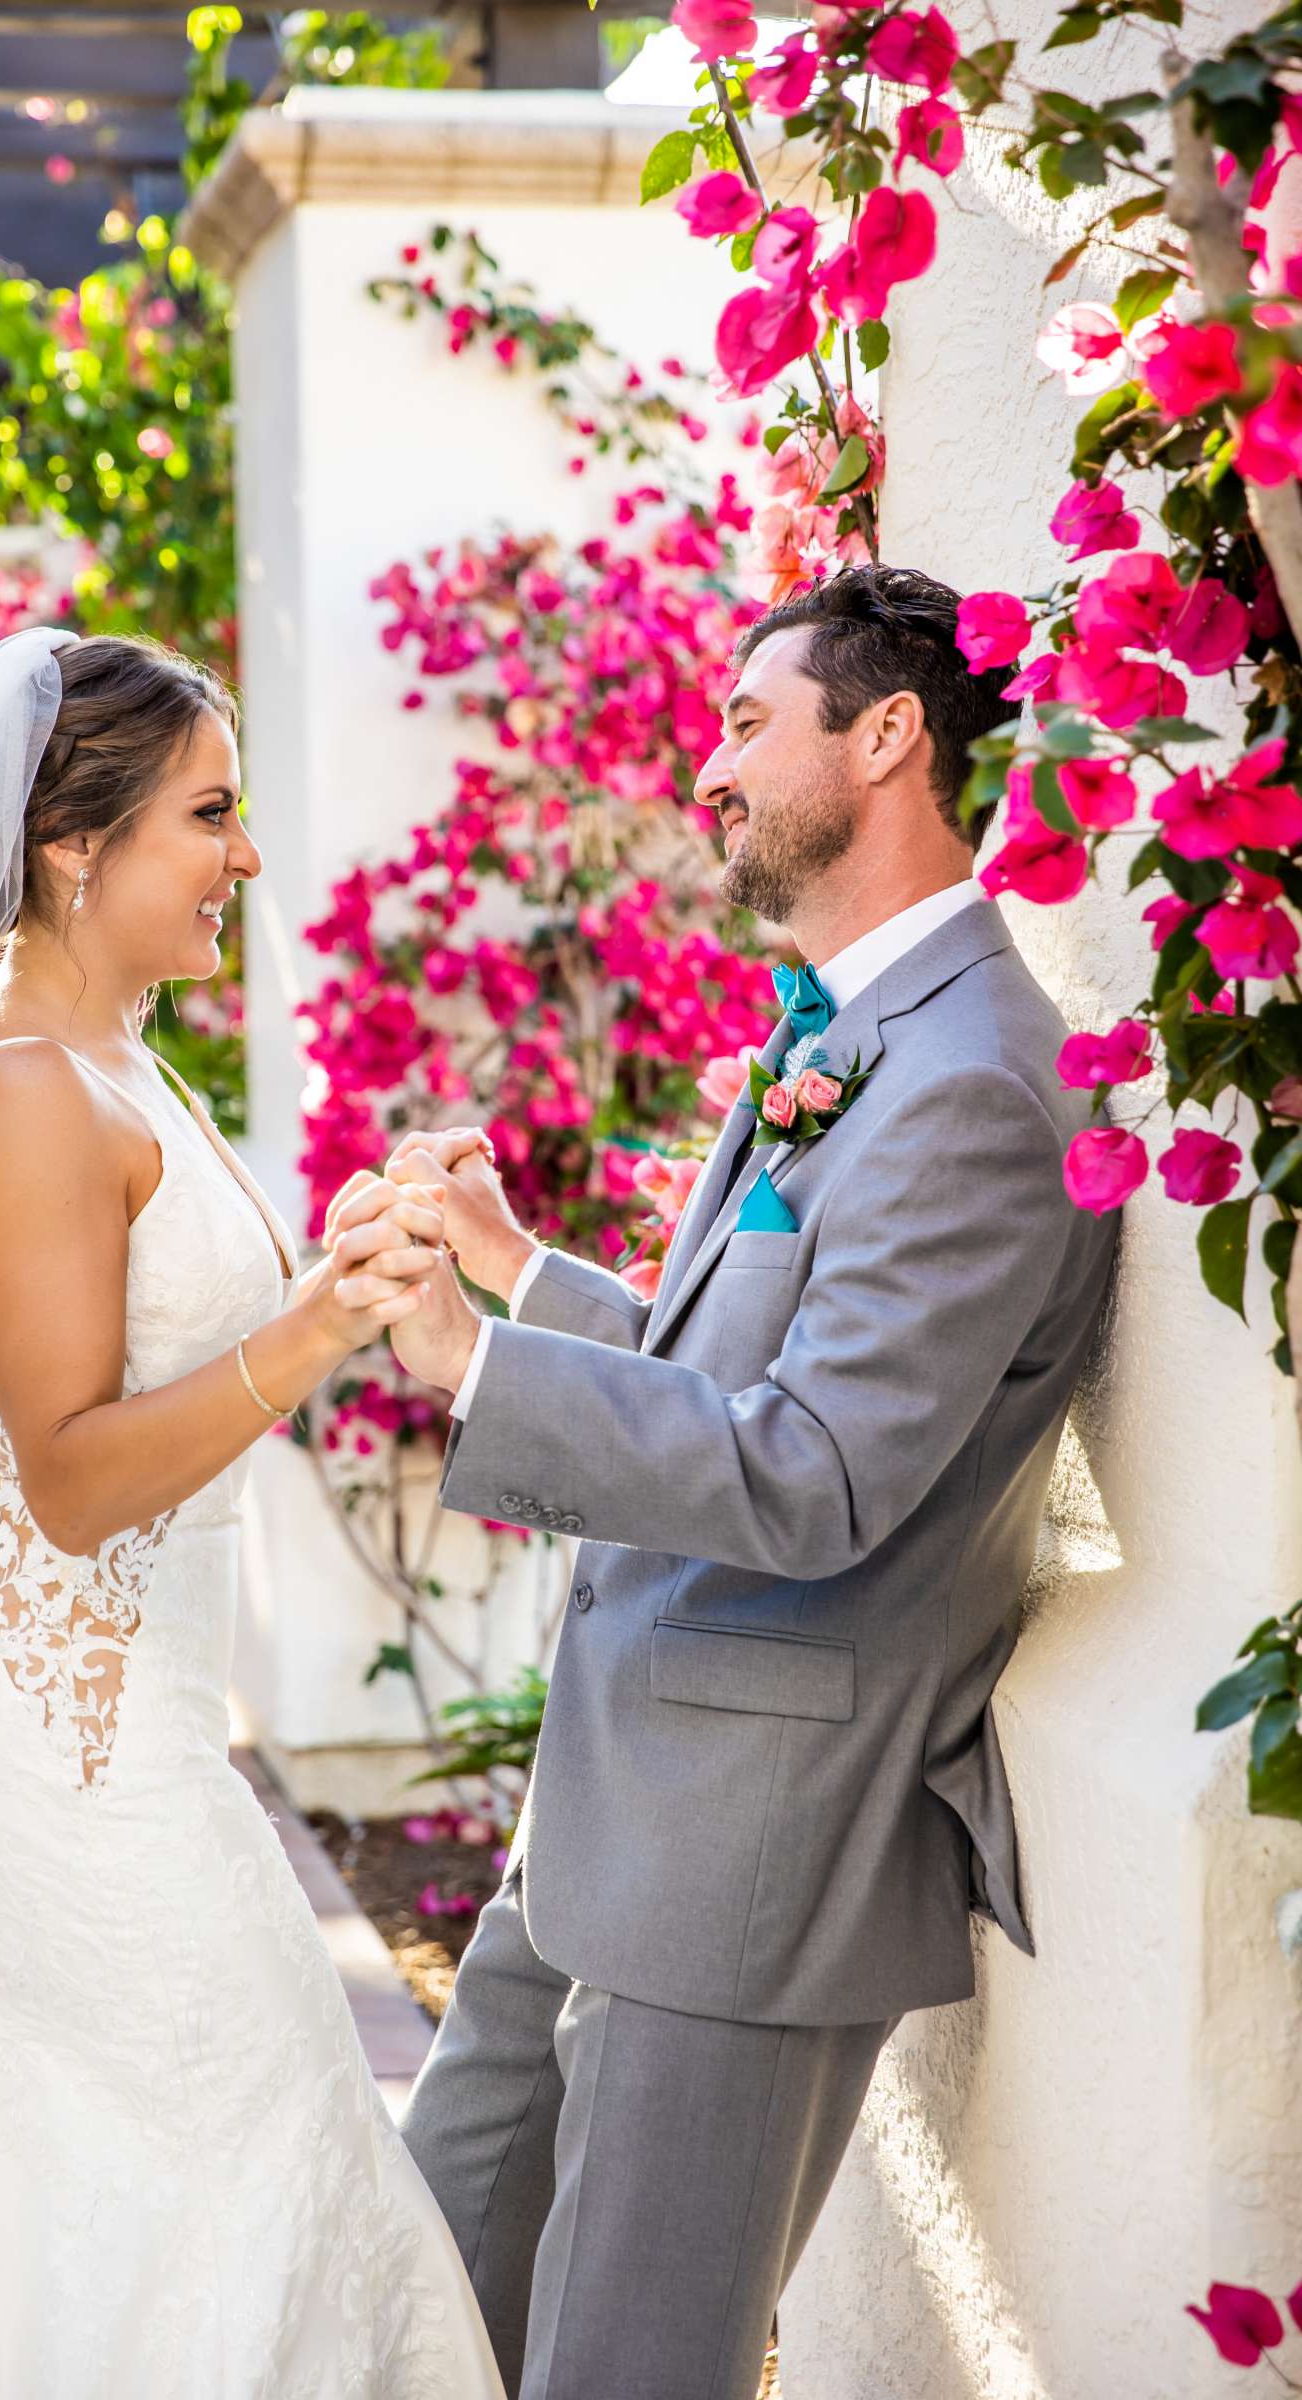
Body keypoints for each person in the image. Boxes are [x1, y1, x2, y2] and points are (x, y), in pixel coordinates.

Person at [0, 627, 505, 2400]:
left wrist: (371, 1243)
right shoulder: (17, 1095)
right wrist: (316, 1322)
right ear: (79, 845)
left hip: (124, 1718)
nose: (248, 857)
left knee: (68, 2147)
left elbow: (169, 1347)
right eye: (209, 816)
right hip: (56, 1738)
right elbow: (67, 1476)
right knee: (237, 2119)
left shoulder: (118, 1065)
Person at [383, 564, 1121, 2400]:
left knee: (624, 2365)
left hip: (754, 1850)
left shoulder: (972, 1076)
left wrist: (480, 1377)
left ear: (887, 739)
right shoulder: (836, 1030)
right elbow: (749, 1371)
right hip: (615, 1799)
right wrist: (520, 1275)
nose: (706, 767)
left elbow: (818, 1472)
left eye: (742, 720)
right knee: (425, 2282)